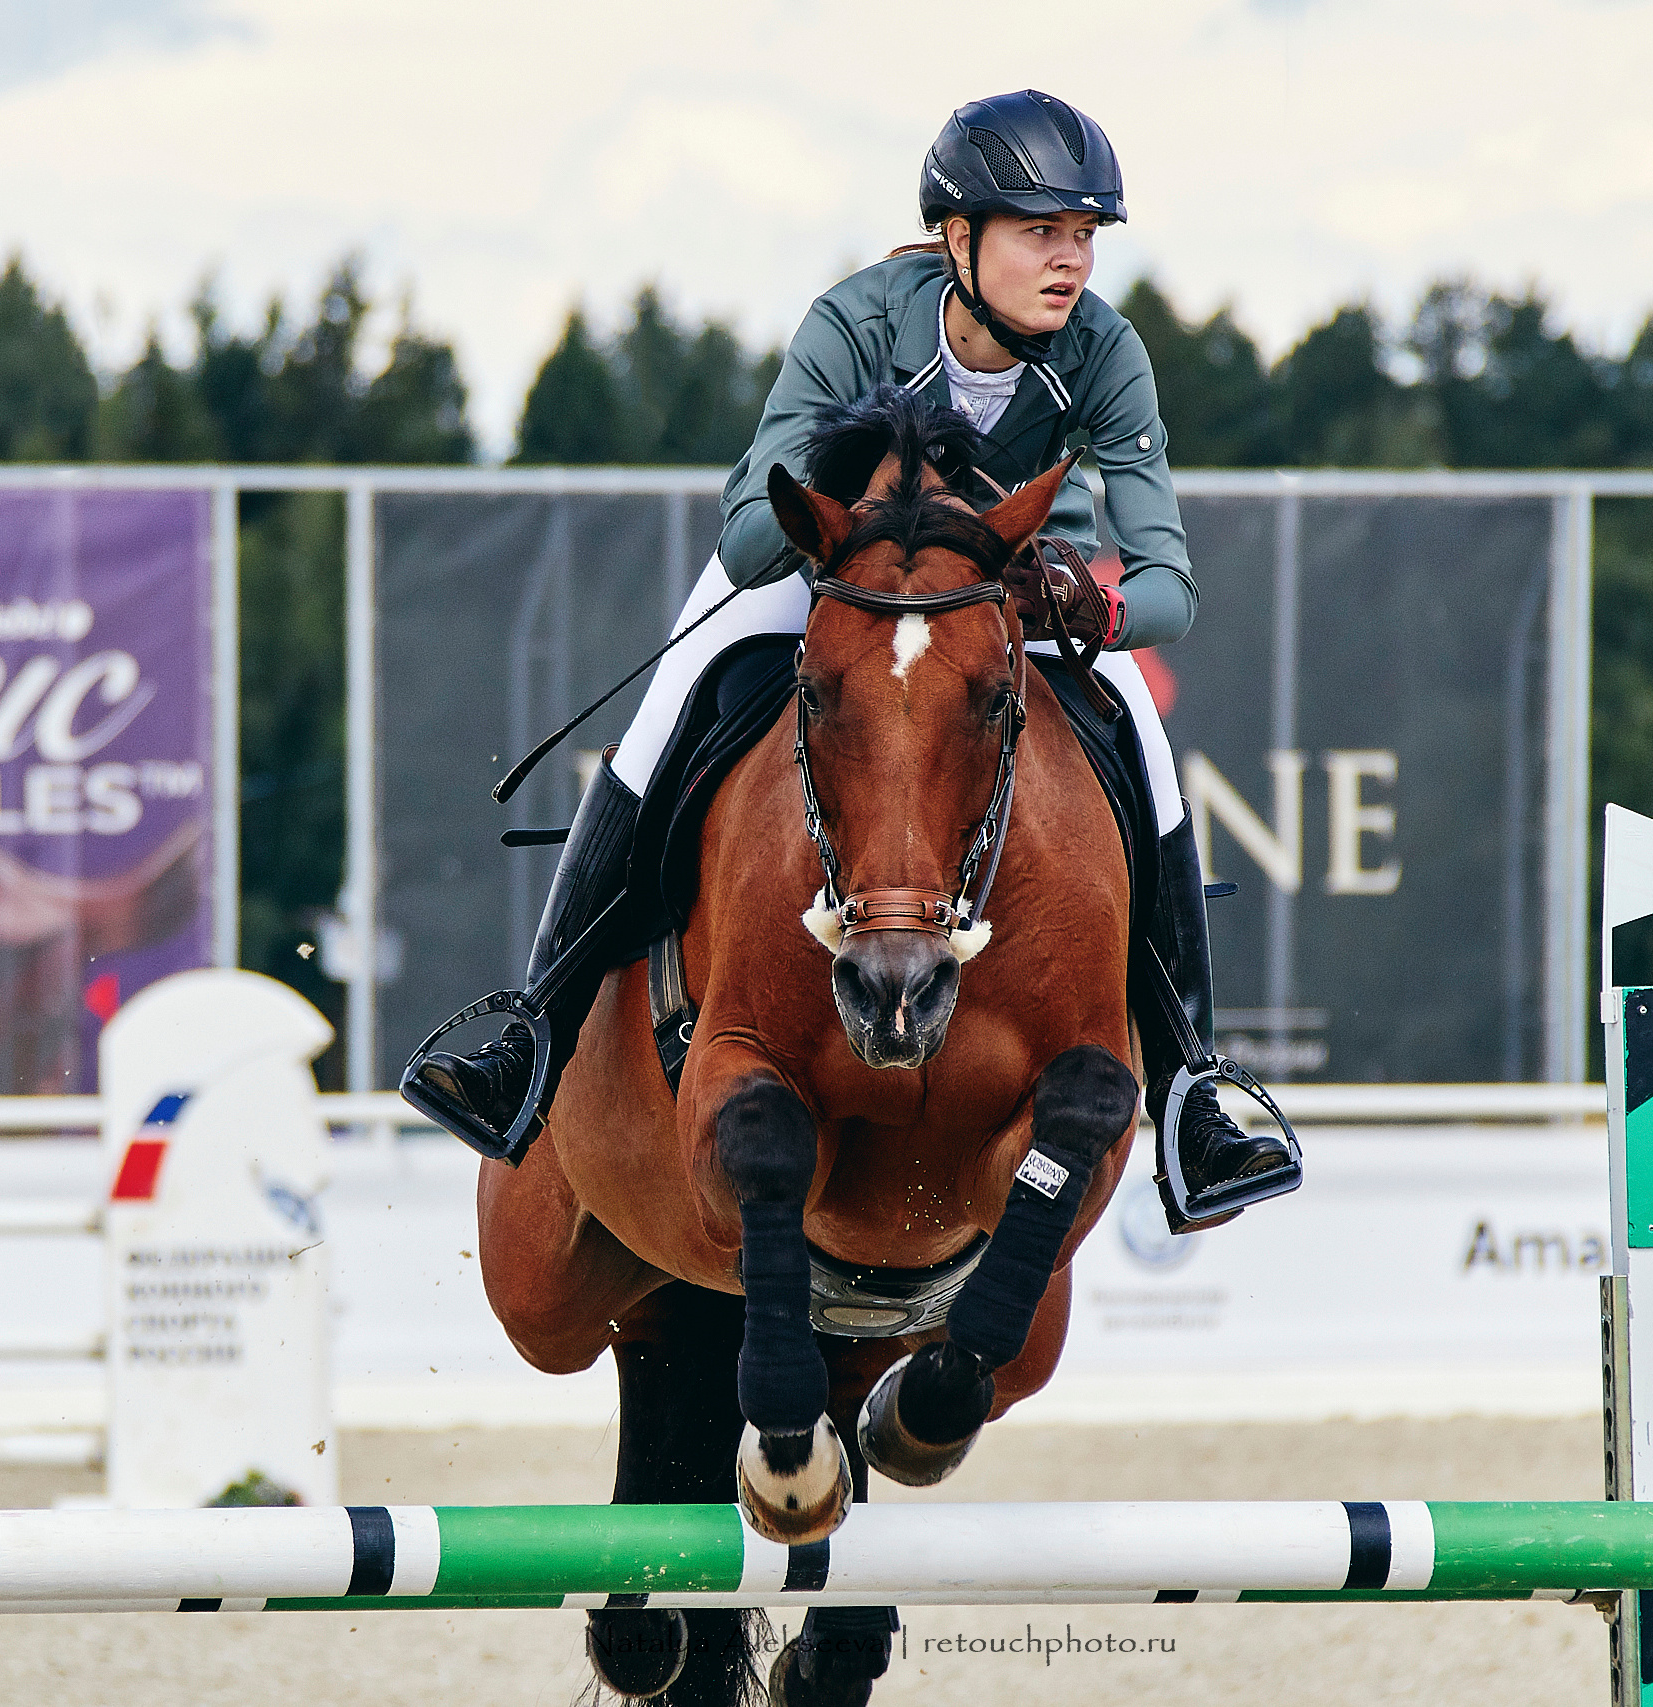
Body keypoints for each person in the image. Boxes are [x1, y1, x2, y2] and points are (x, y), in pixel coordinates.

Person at [414, 89, 1298, 1228]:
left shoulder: (1104, 350)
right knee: (675, 699)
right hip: (831, 570)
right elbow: (749, 535)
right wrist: (849, 519)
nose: (1070, 261)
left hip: (1009, 586)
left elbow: (1170, 589)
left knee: (1146, 750)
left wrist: (1090, 603)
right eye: (1040, 232)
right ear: (957, 237)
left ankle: (1189, 1094)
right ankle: (532, 1031)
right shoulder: (859, 320)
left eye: (1084, 235)